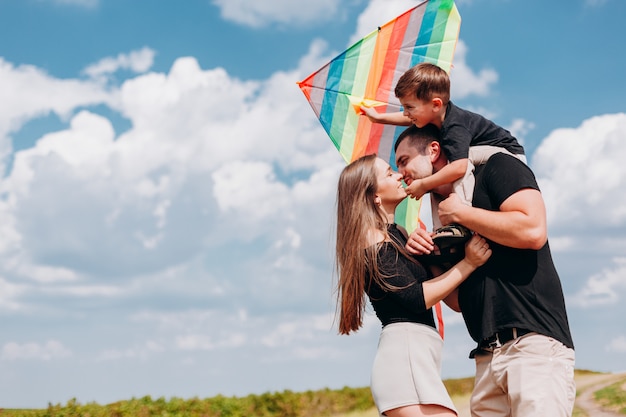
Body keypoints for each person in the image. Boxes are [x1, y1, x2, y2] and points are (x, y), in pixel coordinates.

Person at [393, 125, 576, 417]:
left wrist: (462, 214)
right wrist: (428, 257)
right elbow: (457, 303)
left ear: (433, 150)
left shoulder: (498, 166)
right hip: (486, 356)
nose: (401, 172)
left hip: (532, 346)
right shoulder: (441, 216)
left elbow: (533, 230)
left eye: (403, 160)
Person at [335, 154, 492, 417]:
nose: (399, 175)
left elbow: (444, 296)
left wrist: (428, 251)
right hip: (405, 359)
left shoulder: (396, 234)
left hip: (416, 356)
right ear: (374, 196)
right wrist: (470, 263)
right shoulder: (371, 240)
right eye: (388, 173)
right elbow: (418, 298)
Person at [362, 63, 525, 229]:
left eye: (409, 107)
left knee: (453, 167)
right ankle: (440, 229)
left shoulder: (454, 127)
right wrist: (378, 118)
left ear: (436, 105)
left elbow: (459, 167)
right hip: (485, 149)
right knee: (437, 180)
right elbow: (409, 119)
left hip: (505, 150)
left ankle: (462, 216)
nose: (405, 113)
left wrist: (424, 184)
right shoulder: (433, 115)